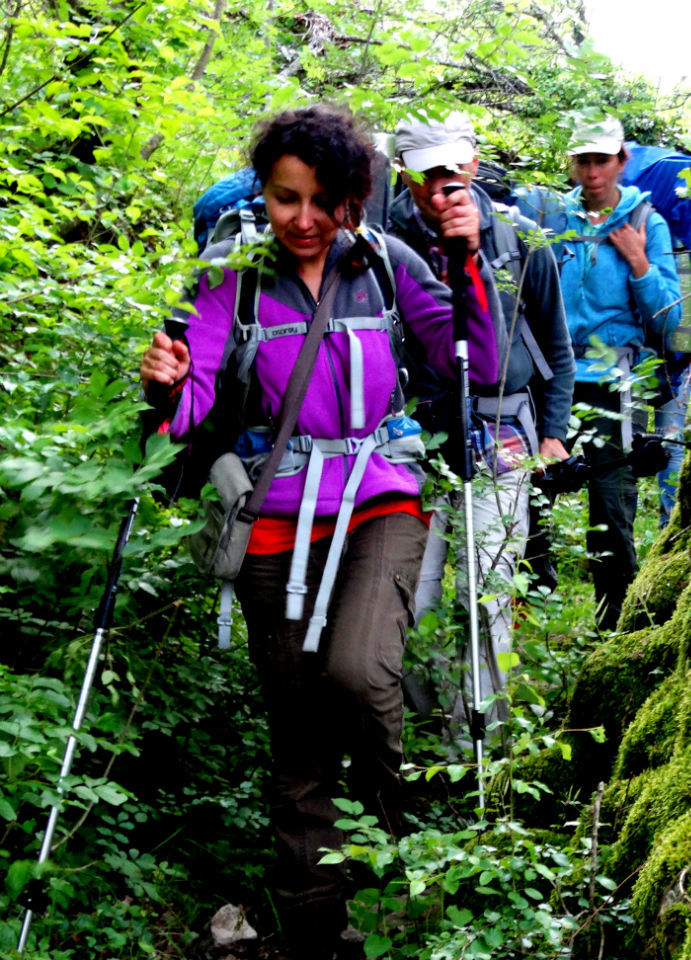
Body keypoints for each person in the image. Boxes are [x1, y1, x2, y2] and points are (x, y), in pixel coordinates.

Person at [139, 105, 498, 959]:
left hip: (379, 493)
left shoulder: (385, 266)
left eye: (321, 199)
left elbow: (474, 362)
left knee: (359, 673)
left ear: (352, 198)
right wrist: (167, 384)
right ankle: (314, 925)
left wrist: (467, 259)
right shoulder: (233, 280)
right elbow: (189, 410)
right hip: (276, 509)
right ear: (263, 194)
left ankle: (393, 852)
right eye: (284, 198)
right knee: (299, 731)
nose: (302, 219)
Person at [387, 111, 573, 749]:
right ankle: (435, 738)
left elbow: (555, 338)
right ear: (402, 175)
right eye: (426, 171)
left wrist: (553, 427)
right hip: (410, 436)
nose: (442, 184)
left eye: (452, 167)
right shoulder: (381, 242)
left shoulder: (519, 238)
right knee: (412, 596)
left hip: (503, 428)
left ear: (473, 162)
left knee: (487, 593)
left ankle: (485, 743)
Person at [549, 114, 683, 630]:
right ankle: (532, 614)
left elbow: (672, 316)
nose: (591, 171)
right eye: (582, 160)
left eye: (601, 159)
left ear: (621, 160)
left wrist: (640, 264)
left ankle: (614, 631)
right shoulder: (552, 222)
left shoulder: (647, 223)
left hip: (612, 378)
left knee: (609, 508)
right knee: (529, 497)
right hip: (552, 377)